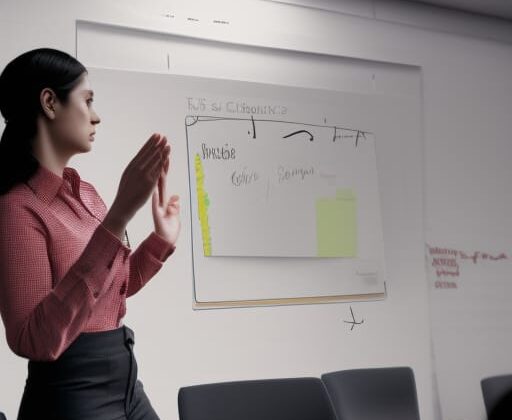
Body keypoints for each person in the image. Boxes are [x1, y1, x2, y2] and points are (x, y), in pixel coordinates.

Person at [0, 48, 181, 419]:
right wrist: (117, 218)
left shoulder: (86, 194)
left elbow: (113, 286)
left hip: (126, 377)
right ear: (49, 102)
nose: (96, 116)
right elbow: (34, 338)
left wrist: (159, 240)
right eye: (88, 100)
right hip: (70, 393)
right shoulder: (16, 208)